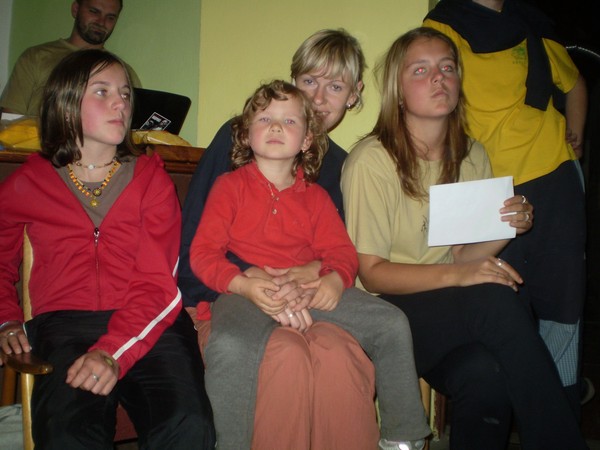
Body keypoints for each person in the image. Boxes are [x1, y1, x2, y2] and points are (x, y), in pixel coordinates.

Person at [341, 27, 588, 450]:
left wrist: (507, 226)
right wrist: (462, 277)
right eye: (421, 70)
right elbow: (373, 274)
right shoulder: (372, 161)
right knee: (493, 296)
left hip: (449, 308)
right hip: (386, 315)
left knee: (486, 373)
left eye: (447, 68)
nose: (439, 78)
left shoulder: (472, 154)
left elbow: (459, 254)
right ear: (398, 90)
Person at [190, 79, 430, 450]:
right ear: (246, 134)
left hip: (309, 292)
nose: (275, 126)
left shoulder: (316, 197)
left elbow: (341, 252)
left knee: (392, 323)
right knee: (230, 346)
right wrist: (242, 284)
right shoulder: (228, 186)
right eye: (265, 118)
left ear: (306, 140)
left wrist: (334, 279)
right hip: (245, 294)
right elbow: (203, 253)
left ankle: (403, 437)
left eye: (289, 121)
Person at [0, 49, 215, 448]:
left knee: (186, 424)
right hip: (65, 326)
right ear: (65, 103)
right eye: (102, 91)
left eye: (125, 93)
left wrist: (112, 351)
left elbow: (158, 284)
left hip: (151, 324)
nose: (121, 103)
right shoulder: (28, 182)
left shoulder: (152, 181)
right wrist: (6, 320)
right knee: (68, 434)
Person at [180, 30, 383, 449]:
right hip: (231, 296)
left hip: (309, 301)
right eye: (309, 81)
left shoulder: (344, 167)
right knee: (283, 356)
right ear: (292, 82)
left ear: (353, 95)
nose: (318, 98)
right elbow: (195, 245)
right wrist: (256, 283)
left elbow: (338, 253)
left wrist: (313, 274)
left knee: (340, 355)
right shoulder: (241, 138)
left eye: (335, 86)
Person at [423, 0, 589, 417]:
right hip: (488, 185)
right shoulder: (445, 25)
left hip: (554, 176)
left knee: (563, 303)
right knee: (501, 299)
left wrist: (575, 138)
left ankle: (561, 409)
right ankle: (511, 402)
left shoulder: (532, 24)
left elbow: (574, 85)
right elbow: (433, 99)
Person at [0, 0, 141, 116]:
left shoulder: (122, 72)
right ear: (75, 9)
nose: (101, 22)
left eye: (110, 17)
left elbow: (135, 129)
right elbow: (9, 121)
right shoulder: (36, 57)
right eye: (94, 11)